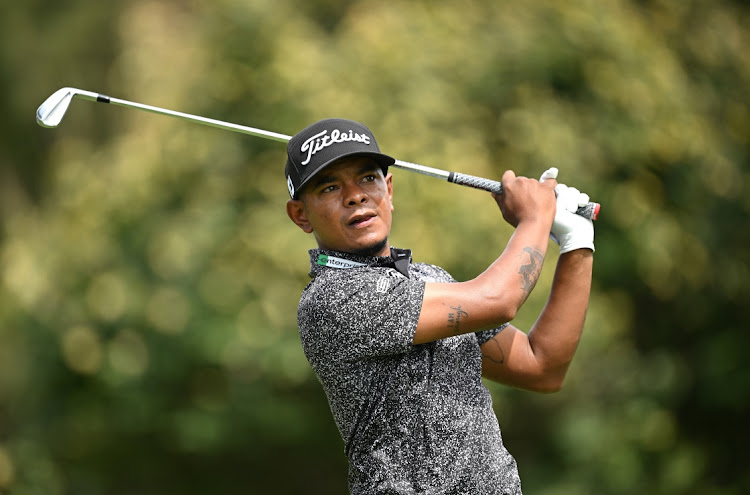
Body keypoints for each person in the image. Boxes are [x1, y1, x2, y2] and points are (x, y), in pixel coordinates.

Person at [284, 118, 594, 495]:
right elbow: (499, 299)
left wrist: (577, 241)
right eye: (330, 187)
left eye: (368, 178)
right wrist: (535, 216)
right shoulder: (331, 299)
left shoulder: (431, 280)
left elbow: (541, 366)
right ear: (300, 214)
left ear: (389, 188)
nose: (355, 195)